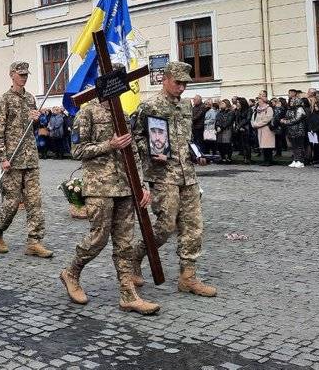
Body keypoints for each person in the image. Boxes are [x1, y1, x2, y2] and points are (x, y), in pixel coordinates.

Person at [60, 96, 158, 314]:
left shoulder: (121, 115)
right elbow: (77, 150)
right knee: (99, 237)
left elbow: (133, 152)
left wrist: (141, 185)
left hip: (125, 186)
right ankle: (71, 272)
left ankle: (128, 295)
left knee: (125, 243)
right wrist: (109, 145)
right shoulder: (87, 113)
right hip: (99, 187)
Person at [130, 61, 217, 297]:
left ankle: (188, 276)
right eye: (177, 82)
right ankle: (135, 256)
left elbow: (186, 138)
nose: (181, 88)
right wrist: (151, 151)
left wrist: (194, 153)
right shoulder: (150, 106)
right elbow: (134, 138)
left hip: (187, 174)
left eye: (185, 84)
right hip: (162, 175)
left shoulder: (186, 106)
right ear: (165, 79)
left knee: (193, 226)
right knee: (165, 227)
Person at [0, 61, 53, 258]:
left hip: (30, 156)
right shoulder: (4, 100)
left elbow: (32, 129)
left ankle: (34, 241)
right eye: (21, 74)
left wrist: (36, 119)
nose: (24, 77)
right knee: (12, 202)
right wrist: (2, 157)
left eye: (26, 75)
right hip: (13, 158)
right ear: (12, 75)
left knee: (35, 201)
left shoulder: (31, 99)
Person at [282, 97, 308, 168]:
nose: (291, 102)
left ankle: (301, 161)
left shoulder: (300, 109)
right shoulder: (290, 109)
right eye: (290, 101)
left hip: (299, 130)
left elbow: (297, 119)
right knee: (294, 146)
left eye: (293, 101)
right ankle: (295, 160)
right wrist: (284, 120)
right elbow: (287, 117)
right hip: (291, 130)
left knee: (299, 146)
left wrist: (286, 122)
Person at [251, 97, 275, 166]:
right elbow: (253, 118)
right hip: (259, 129)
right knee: (263, 146)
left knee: (268, 146)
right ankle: (265, 160)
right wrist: (254, 124)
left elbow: (267, 119)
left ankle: (269, 161)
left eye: (259, 100)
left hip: (267, 129)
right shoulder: (257, 109)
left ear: (264, 101)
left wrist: (257, 124)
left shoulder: (269, 108)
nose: (258, 101)